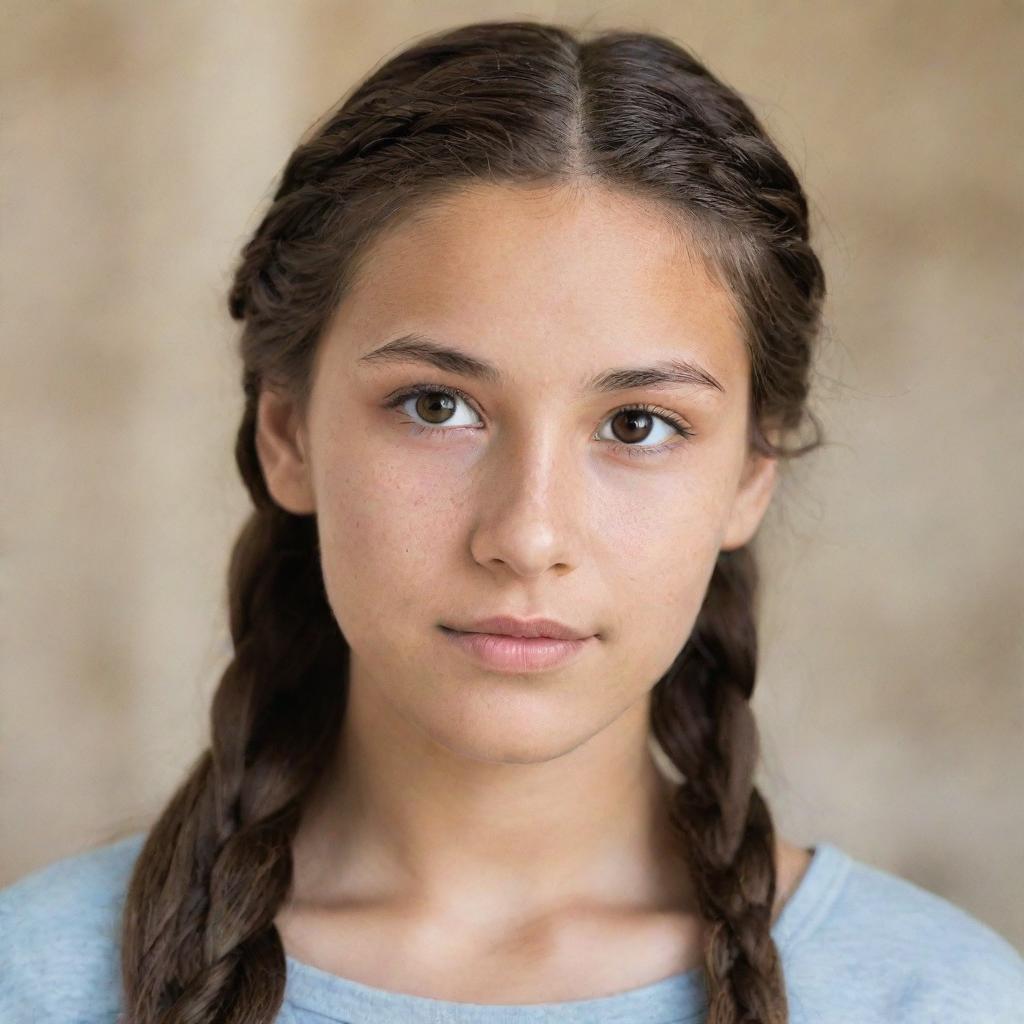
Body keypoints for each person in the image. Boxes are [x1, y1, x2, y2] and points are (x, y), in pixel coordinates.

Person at [1, 18, 1021, 1024]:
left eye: (637, 423)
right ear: (287, 435)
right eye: (436, 405)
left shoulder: (931, 997)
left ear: (751, 474)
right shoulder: (39, 980)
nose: (527, 535)